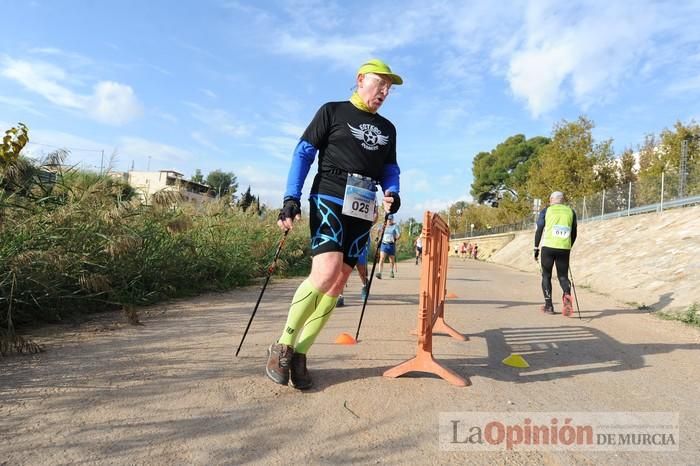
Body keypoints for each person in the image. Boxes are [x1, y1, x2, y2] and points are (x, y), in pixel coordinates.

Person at [267, 58, 403, 390]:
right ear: (360, 80)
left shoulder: (388, 129)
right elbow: (303, 153)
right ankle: (282, 345)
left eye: (389, 87)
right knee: (325, 271)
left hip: (363, 204)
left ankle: (300, 353)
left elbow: (390, 169)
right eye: (379, 83)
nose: (384, 91)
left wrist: (393, 192)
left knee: (339, 282)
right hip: (329, 195)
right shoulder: (332, 111)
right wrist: (291, 197)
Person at [534, 191, 578, 316]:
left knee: (546, 276)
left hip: (548, 247)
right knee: (563, 276)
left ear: (551, 199)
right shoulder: (571, 211)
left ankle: (549, 306)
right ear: (562, 200)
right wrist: (568, 246)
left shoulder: (546, 211)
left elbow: (539, 229)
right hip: (564, 248)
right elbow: (574, 232)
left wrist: (536, 247)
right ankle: (567, 294)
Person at [376, 214, 401, 279]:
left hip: (391, 245)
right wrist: (378, 236)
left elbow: (399, 235)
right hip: (384, 244)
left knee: (391, 260)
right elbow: (378, 230)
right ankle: (379, 273)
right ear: (386, 220)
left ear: (392, 219)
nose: (389, 220)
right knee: (382, 258)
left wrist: (396, 238)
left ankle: (391, 271)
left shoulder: (395, 226)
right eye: (388, 219)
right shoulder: (383, 226)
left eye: (390, 219)